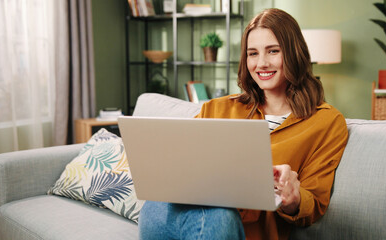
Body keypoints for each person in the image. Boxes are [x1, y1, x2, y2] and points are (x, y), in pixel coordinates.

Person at [138, 8, 348, 240]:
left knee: (219, 215)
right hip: (180, 216)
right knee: (156, 204)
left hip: (239, 228)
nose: (262, 63)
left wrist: (294, 197)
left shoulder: (327, 122)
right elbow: (183, 167)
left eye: (273, 51)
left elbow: (315, 202)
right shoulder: (216, 108)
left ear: (294, 53)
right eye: (252, 53)